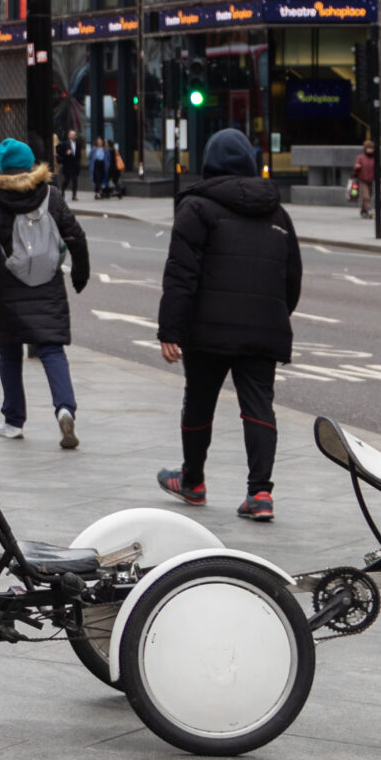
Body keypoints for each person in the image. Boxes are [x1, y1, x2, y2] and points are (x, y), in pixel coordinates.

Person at [154, 127, 300, 523]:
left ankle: (193, 481)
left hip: (208, 330)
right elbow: (292, 279)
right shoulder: (278, 212)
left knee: (199, 401)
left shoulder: (196, 208)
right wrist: (275, 315)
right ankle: (260, 493)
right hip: (262, 329)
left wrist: (171, 330)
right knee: (258, 406)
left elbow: (181, 275)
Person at [0, 138, 90, 448]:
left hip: (8, 285)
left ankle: (13, 420)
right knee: (51, 349)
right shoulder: (50, 194)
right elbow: (75, 235)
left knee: (9, 351)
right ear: (32, 163)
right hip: (47, 283)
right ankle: (64, 408)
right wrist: (80, 272)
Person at [352, 134, 380, 219]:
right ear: (365, 149)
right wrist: (357, 167)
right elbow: (356, 168)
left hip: (371, 180)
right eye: (369, 148)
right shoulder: (360, 157)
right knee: (366, 196)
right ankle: (369, 211)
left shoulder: (374, 158)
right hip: (362, 180)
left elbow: (378, 166)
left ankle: (363, 211)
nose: (370, 150)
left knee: (369, 196)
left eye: (372, 149)